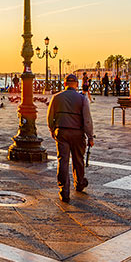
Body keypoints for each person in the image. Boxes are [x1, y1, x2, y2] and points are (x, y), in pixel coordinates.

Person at [46, 74, 95, 202]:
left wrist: (52, 129)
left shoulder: (56, 97)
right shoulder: (82, 99)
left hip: (61, 132)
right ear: (77, 84)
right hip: (77, 134)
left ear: (64, 83)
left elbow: (50, 117)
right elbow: (87, 120)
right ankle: (79, 183)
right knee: (78, 159)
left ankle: (64, 190)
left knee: (63, 161)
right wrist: (90, 136)